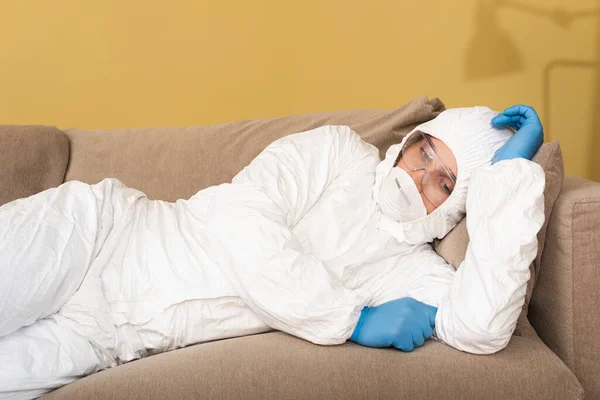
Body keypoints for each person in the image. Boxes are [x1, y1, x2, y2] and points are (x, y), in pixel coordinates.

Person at [0, 104, 545, 399]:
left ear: (458, 207)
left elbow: (479, 328)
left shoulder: (413, 273)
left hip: (109, 340)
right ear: (408, 142)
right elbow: (241, 220)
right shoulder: (338, 152)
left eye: (445, 182)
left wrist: (511, 181)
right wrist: (349, 319)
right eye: (422, 151)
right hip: (98, 236)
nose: (419, 175)